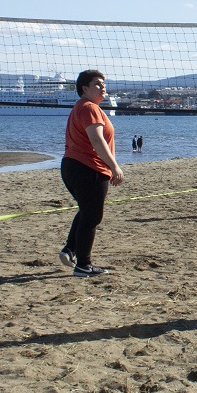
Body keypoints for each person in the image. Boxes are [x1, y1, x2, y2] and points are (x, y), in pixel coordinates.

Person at [59, 69, 124, 278]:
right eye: (97, 84)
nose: (102, 87)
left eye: (104, 84)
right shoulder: (89, 107)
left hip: (73, 166)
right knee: (92, 215)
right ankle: (83, 266)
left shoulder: (82, 107)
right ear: (84, 88)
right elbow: (97, 140)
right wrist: (114, 166)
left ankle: (70, 249)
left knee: (87, 211)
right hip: (88, 168)